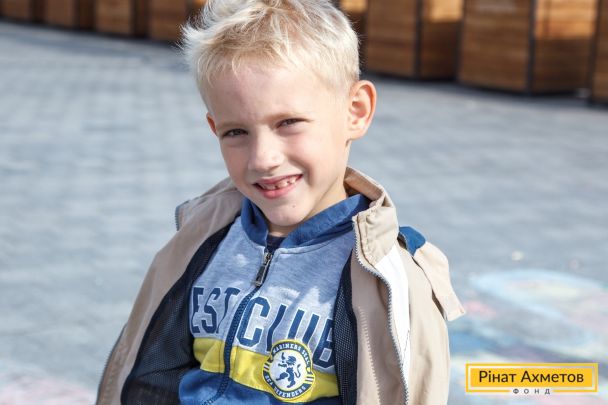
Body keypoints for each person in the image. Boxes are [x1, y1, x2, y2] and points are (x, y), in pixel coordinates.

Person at [96, 0, 465, 404]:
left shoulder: (388, 283)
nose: (263, 159)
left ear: (355, 112)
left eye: (288, 123)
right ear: (214, 128)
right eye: (236, 132)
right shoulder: (200, 238)